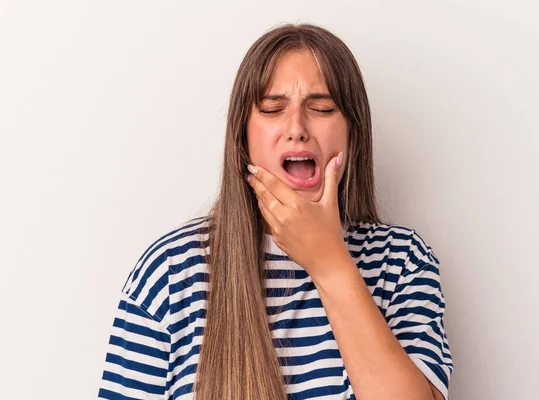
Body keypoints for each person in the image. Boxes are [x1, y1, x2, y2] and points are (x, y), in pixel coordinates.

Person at [98, 23, 453, 400]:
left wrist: (329, 261)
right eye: (272, 108)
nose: (297, 128)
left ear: (352, 131)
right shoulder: (169, 274)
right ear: (243, 137)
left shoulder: (401, 262)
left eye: (321, 107)